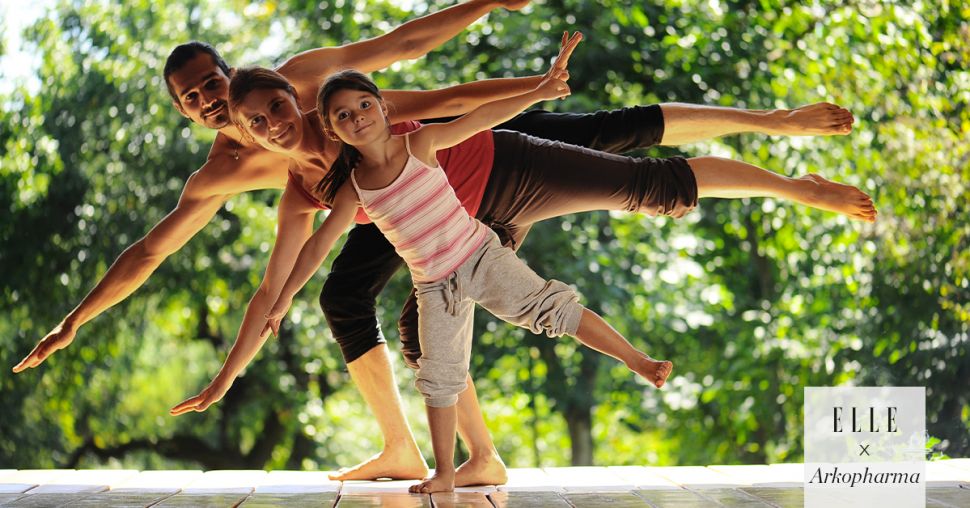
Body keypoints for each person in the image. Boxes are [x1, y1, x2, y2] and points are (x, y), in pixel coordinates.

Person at [13, 4, 866, 482]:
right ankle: (446, 454)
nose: (213, 102)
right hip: (421, 215)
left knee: (610, 143)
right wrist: (80, 320)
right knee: (371, 304)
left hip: (462, 154)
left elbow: (412, 57)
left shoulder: (311, 89)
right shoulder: (253, 179)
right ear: (197, 115)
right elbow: (165, 254)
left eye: (216, 84)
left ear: (241, 78)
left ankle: (775, 134)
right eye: (195, 99)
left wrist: (496, 26)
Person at [262, 62, 674, 494]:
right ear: (331, 129)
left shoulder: (420, 141)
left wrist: (540, 90)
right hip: (434, 287)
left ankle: (637, 360)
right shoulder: (353, 188)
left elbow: (481, 117)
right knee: (437, 377)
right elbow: (318, 245)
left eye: (364, 105)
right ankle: (444, 472)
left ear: (384, 108)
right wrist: (285, 295)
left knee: (552, 310)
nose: (357, 116)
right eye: (343, 115)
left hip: (480, 255)